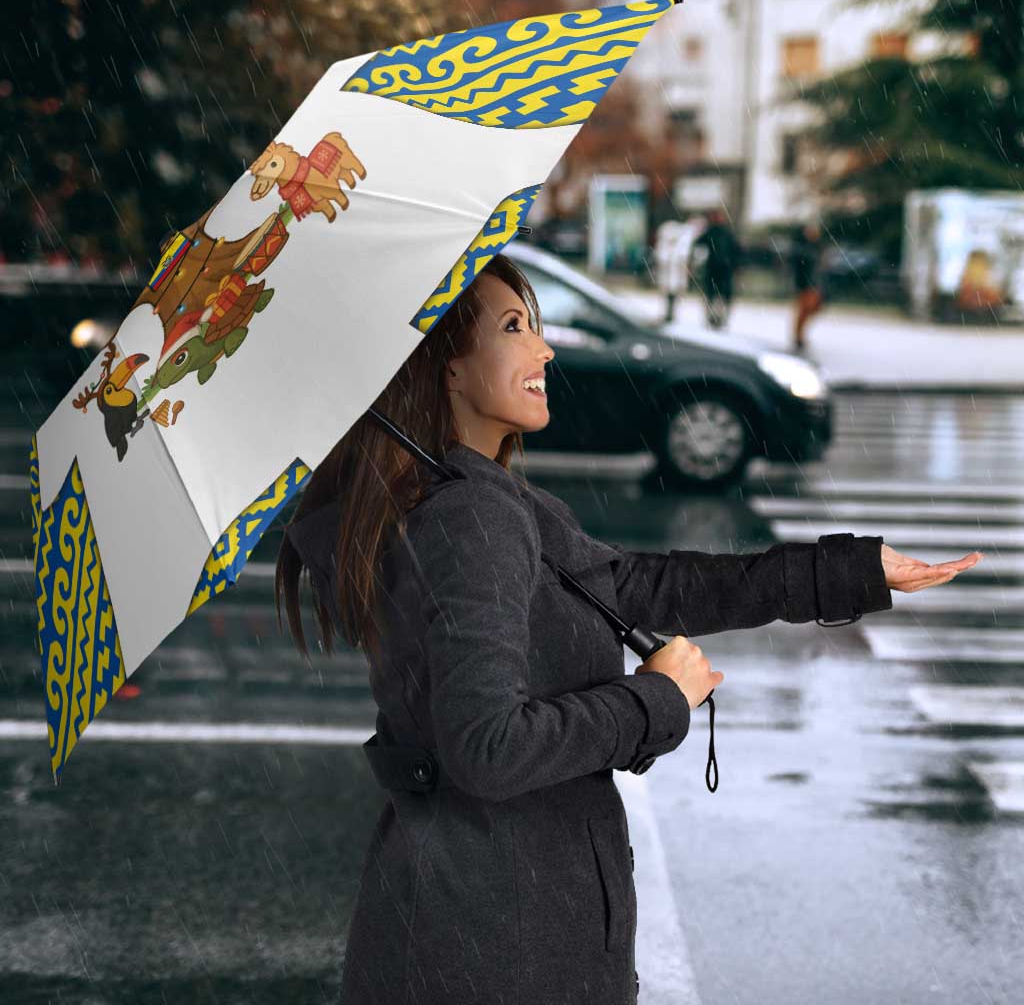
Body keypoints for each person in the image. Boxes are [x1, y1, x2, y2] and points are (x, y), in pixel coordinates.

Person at [275, 253, 980, 1005]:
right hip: (499, 944)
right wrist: (655, 700)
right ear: (445, 368)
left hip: (480, 922)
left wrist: (849, 572)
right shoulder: (470, 518)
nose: (544, 349)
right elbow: (487, 748)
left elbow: (642, 586)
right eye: (514, 328)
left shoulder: (477, 500)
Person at [692, 207, 742, 330]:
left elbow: (736, 251)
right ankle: (713, 318)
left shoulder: (725, 233)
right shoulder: (712, 232)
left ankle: (719, 318)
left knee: (720, 296)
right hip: (715, 269)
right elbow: (698, 245)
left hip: (723, 269)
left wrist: (735, 265)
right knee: (713, 295)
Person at [790, 220, 826, 351]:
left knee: (812, 309)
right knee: (804, 310)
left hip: (814, 284)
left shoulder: (817, 247)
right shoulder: (802, 248)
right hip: (805, 284)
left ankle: (799, 335)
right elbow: (799, 267)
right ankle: (798, 336)